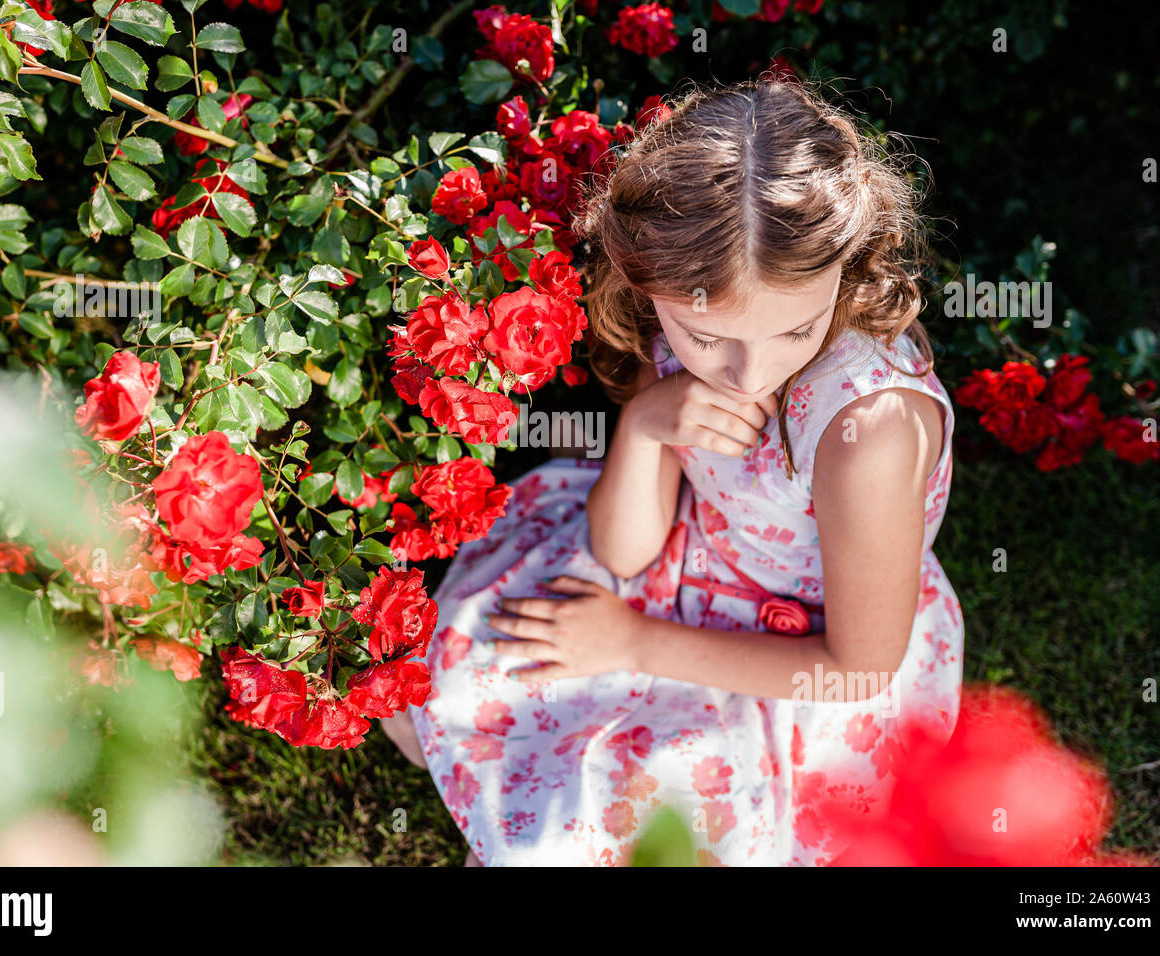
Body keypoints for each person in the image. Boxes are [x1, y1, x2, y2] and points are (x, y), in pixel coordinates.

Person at [384, 75, 964, 866]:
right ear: (644, 277)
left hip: (808, 661)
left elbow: (856, 671)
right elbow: (625, 552)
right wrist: (646, 424)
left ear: (848, 260)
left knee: (660, 826)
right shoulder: (700, 287)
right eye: (703, 335)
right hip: (686, 560)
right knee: (469, 683)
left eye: (795, 330)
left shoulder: (869, 433)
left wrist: (630, 643)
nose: (747, 374)